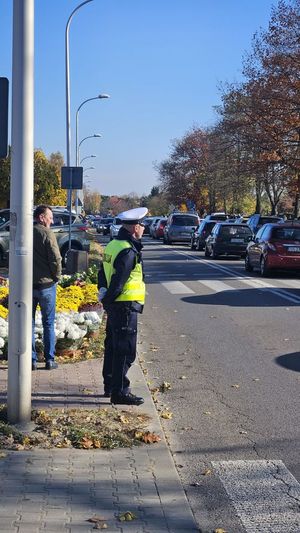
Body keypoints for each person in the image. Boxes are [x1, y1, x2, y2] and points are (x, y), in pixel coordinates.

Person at [98, 207, 148, 405]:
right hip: (125, 306)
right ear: (135, 227)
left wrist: (103, 294)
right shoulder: (128, 251)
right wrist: (109, 299)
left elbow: (102, 272)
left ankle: (109, 384)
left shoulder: (113, 244)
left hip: (115, 306)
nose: (144, 228)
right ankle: (120, 392)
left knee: (112, 346)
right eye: (142, 224)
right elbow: (119, 283)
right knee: (125, 350)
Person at [32, 205, 62, 370]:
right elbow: (55, 258)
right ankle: (50, 360)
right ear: (42, 217)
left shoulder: (26, 232)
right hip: (46, 285)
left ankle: (31, 360)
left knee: (28, 323)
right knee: (48, 323)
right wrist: (56, 276)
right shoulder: (47, 233)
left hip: (28, 285)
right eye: (50, 217)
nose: (52, 220)